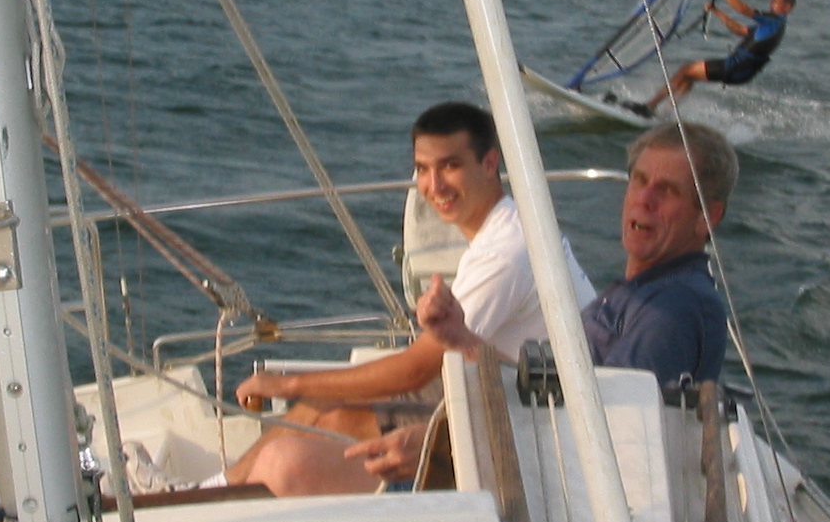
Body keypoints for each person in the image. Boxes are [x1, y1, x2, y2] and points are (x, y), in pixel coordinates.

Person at [226, 100, 592, 495]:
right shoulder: (505, 228)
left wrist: (287, 384)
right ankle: (218, 488)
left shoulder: (506, 252)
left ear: (489, 164)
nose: (434, 186)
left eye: (450, 166)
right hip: (502, 383)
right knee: (322, 403)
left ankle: (225, 494)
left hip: (532, 412)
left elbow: (417, 369)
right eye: (423, 169)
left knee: (329, 411)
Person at [422, 121, 732, 399]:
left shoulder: (670, 310)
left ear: (706, 217)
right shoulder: (639, 290)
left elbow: (607, 421)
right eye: (639, 180)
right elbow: (565, 394)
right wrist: (459, 337)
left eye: (667, 190)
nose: (644, 199)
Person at [645, 0, 794, 111]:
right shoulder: (771, 25)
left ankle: (650, 107)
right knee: (689, 76)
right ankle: (665, 112)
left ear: (787, 7)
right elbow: (738, 29)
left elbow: (744, 10)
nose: (771, 3)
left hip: (737, 67)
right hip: (739, 68)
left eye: (776, 1)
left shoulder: (775, 22)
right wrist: (717, 11)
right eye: (772, 1)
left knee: (685, 71)